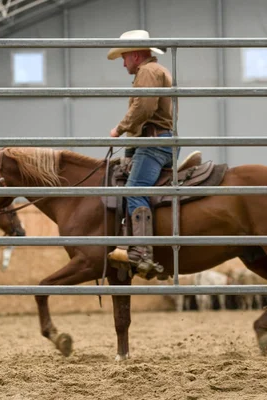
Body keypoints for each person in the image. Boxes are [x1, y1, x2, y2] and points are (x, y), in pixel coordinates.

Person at [106, 29, 176, 275]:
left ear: (135, 55)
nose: (123, 62)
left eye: (124, 56)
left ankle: (142, 253)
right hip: (160, 141)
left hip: (153, 144)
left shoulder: (147, 72)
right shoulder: (158, 71)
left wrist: (119, 129)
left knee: (134, 190)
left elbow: (143, 108)